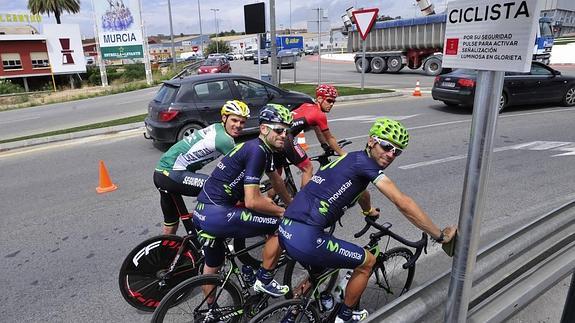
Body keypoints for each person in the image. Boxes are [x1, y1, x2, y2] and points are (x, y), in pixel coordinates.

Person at [278, 118, 457, 323]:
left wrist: (368, 211)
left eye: (397, 152)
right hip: (306, 238)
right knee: (367, 262)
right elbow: (403, 203)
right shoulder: (367, 167)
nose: (391, 154)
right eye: (387, 146)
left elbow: (361, 191)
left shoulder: (351, 158)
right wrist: (440, 235)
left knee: (319, 269)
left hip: (286, 230)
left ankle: (292, 313)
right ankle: (345, 317)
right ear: (372, 141)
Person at [193, 104, 294, 297]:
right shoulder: (259, 152)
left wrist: (290, 203)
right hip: (218, 214)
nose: (284, 135)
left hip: (202, 212)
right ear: (264, 129)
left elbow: (276, 181)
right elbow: (252, 202)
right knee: (281, 224)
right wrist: (286, 212)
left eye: (287, 131)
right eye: (280, 130)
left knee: (212, 267)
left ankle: (210, 312)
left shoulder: (258, 148)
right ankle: (264, 279)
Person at [153, 100, 250, 235]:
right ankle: (209, 230)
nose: (238, 125)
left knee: (171, 224)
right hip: (172, 173)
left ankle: (167, 252)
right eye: (234, 120)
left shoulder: (217, 128)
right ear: (224, 118)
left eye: (242, 122)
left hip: (161, 173)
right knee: (218, 191)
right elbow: (241, 168)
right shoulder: (224, 139)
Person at [270, 84, 346, 204]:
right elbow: (330, 137)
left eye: (333, 102)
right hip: (286, 138)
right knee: (308, 168)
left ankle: (268, 201)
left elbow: (317, 129)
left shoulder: (307, 106)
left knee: (277, 175)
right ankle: (303, 202)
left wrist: (324, 145)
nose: (331, 104)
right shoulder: (319, 114)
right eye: (329, 100)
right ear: (320, 99)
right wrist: (343, 155)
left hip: (274, 137)